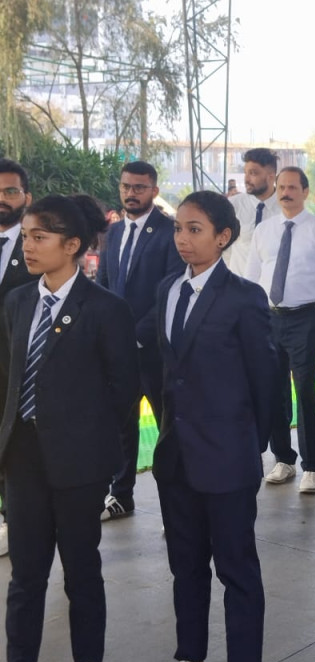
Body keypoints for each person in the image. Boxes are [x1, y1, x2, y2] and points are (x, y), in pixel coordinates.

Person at [0, 195, 139, 662]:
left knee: (82, 570)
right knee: (26, 573)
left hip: (80, 462)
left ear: (73, 245)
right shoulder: (16, 302)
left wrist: (91, 445)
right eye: (26, 236)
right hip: (23, 459)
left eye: (40, 237)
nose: (28, 246)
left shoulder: (106, 309)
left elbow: (124, 391)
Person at [148, 191, 276, 662]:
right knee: (186, 567)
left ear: (223, 237)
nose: (183, 238)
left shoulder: (244, 298)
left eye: (195, 229)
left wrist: (249, 444)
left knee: (236, 571)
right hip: (176, 456)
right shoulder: (167, 289)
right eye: (179, 227)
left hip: (227, 458)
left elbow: (267, 381)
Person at [246, 166, 315, 494]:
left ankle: (312, 466)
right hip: (269, 319)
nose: (286, 193)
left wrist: (309, 291)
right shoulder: (264, 231)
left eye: (292, 187)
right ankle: (283, 459)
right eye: (281, 187)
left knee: (304, 390)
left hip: (304, 318)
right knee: (273, 390)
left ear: (305, 192)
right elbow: (252, 276)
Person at [96, 160, 183, 520]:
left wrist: (134, 335)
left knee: (167, 429)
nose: (131, 193)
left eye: (139, 187)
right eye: (126, 186)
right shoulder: (113, 232)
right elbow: (102, 286)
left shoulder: (169, 232)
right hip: (117, 354)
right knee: (121, 426)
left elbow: (170, 290)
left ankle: (176, 505)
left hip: (154, 351)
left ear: (154, 191)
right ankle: (121, 495)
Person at [0, 159, 35, 559]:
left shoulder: (35, 246)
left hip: (18, 370)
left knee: (13, 448)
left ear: (26, 196)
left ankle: (15, 521)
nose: (3, 199)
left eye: (10, 191)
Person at [226, 148, 280, 276]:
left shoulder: (285, 209)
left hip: (271, 285)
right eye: (245, 173)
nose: (246, 179)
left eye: (253, 173)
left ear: (271, 177)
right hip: (238, 283)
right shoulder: (233, 205)